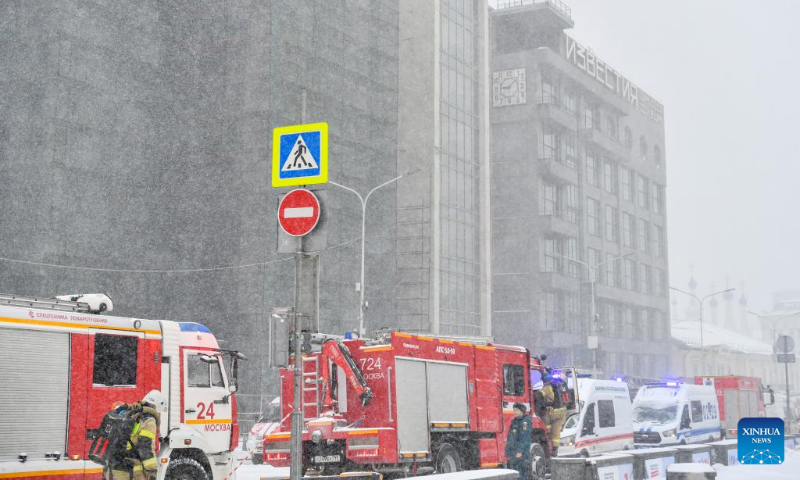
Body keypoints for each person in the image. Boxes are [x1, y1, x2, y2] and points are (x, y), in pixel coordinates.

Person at [107, 390, 165, 480]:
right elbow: (145, 447)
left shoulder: (133, 413)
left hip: (113, 468)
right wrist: (152, 472)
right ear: (156, 408)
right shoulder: (149, 421)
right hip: (129, 472)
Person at [541, 375, 567, 457]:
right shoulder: (561, 387)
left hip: (552, 412)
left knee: (548, 430)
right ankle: (555, 450)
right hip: (561, 412)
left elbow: (540, 394)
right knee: (556, 433)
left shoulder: (547, 388)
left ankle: (551, 447)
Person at [505, 402, 532, 479]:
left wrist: (520, 451)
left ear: (522, 411)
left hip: (520, 453)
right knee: (515, 472)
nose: (514, 412)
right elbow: (511, 437)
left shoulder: (525, 422)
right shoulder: (515, 421)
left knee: (521, 473)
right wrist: (508, 450)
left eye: (516, 410)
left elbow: (524, 438)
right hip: (514, 451)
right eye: (514, 410)